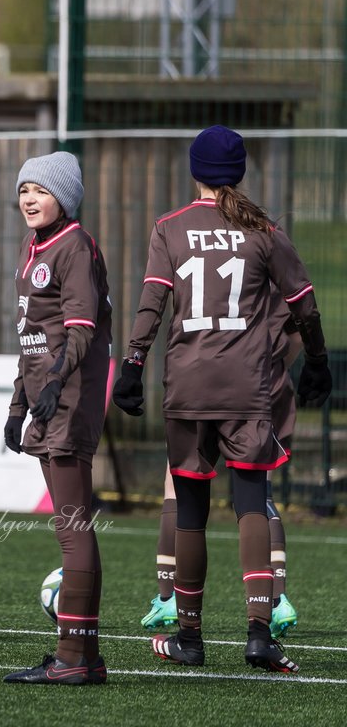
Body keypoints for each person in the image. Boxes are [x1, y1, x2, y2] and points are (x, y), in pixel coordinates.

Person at [112, 125, 332, 674]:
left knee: (190, 511)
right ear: (240, 173)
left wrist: (134, 365)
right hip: (248, 389)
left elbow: (151, 304)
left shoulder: (170, 227)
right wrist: (320, 364)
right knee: (251, 503)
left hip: (187, 387)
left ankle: (190, 636)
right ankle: (259, 634)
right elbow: (304, 305)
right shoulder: (265, 230)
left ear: (194, 172)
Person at [1, 151, 110, 686]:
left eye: (41, 190)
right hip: (47, 396)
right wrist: (18, 405)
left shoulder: (75, 246)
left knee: (72, 528)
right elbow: (32, 338)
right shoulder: (34, 246)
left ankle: (73, 657)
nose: (29, 199)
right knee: (70, 527)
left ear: (64, 197)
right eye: (24, 189)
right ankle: (82, 658)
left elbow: (81, 328)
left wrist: (54, 391)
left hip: (70, 397)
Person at [140, 302, 303, 639]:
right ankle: (275, 599)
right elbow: (299, 329)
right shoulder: (271, 253)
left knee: (179, 484)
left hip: (206, 377)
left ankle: (171, 598)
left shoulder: (207, 251)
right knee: (258, 488)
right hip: (260, 379)